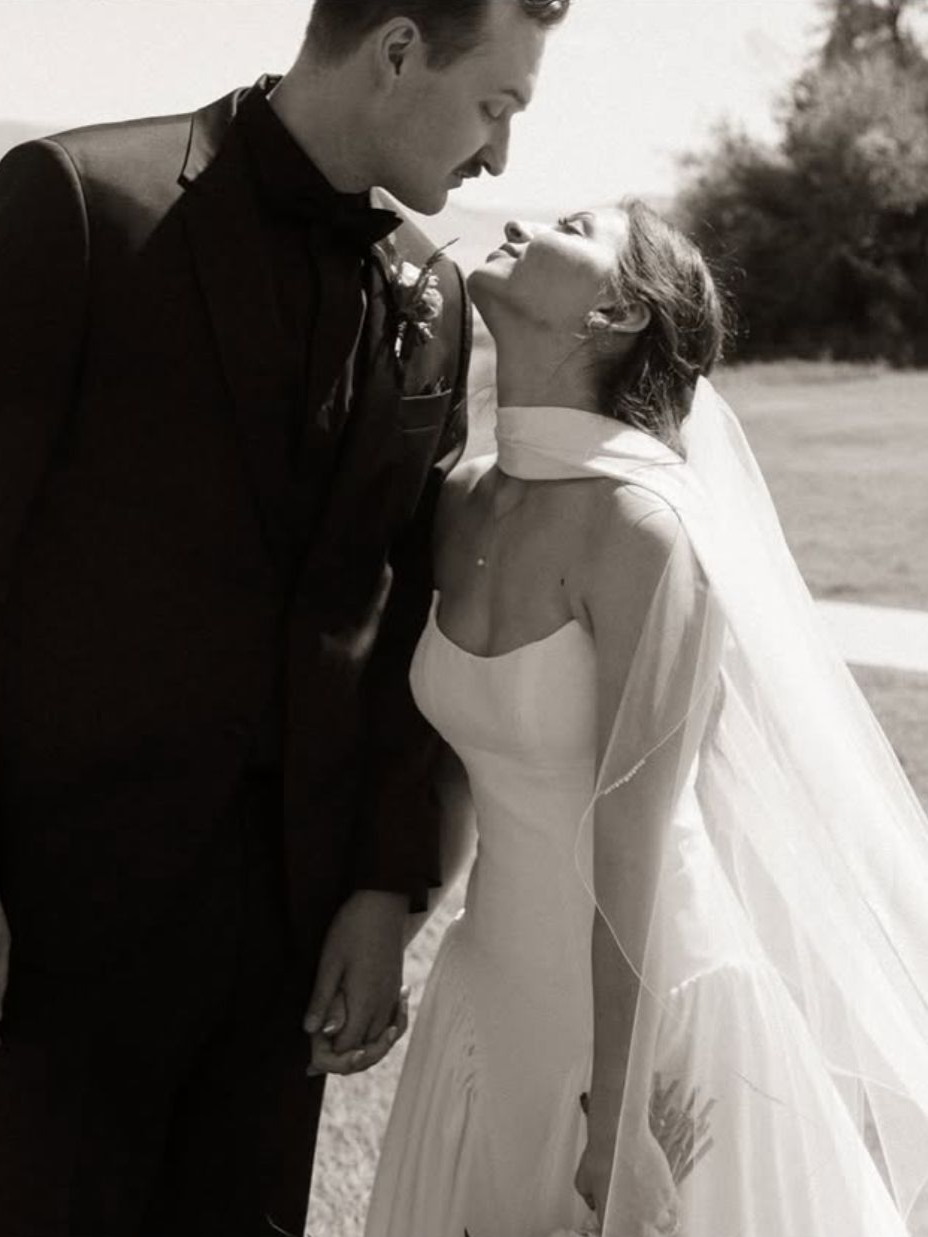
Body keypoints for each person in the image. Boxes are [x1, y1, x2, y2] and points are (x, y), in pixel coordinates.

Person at [0, 2, 569, 1234]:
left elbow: (404, 603)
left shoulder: (435, 294)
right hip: (49, 928)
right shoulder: (75, 201)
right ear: (399, 49)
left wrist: (387, 885)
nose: (500, 159)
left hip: (287, 952)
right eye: (496, 106)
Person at [364, 200, 928, 1237]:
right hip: (491, 987)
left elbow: (630, 846)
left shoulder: (646, 531)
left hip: (650, 1011)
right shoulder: (465, 502)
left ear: (616, 310)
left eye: (573, 222)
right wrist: (386, 915)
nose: (525, 222)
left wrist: (618, 1117)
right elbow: (458, 762)